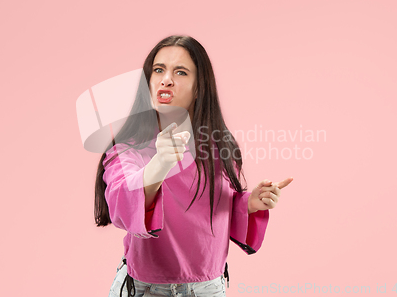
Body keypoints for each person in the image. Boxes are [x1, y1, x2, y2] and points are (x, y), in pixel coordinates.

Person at [94, 35, 294, 297]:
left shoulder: (220, 146)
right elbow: (122, 201)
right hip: (147, 289)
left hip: (209, 288)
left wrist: (250, 203)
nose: (166, 79)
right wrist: (160, 163)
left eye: (180, 72)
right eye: (158, 70)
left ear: (199, 87)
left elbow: (216, 209)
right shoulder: (128, 149)